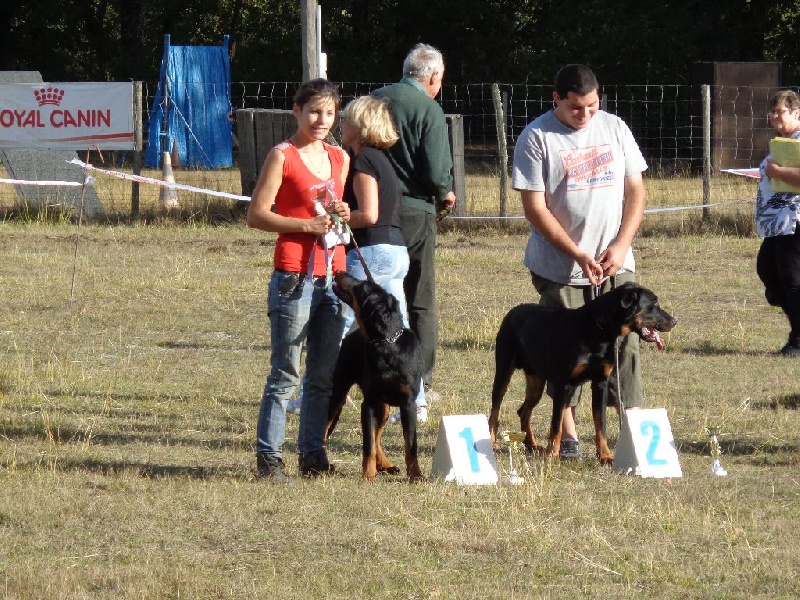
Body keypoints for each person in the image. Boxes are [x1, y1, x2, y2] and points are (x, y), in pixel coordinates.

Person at [511, 64, 648, 459]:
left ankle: (633, 434)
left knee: (624, 346)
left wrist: (621, 246)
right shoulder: (537, 137)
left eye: (591, 105)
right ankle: (567, 436)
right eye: (575, 108)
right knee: (566, 348)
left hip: (615, 262)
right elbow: (535, 208)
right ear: (556, 99)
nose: (585, 114)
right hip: (561, 266)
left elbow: (635, 190)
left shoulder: (615, 128)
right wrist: (576, 253)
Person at [247, 78, 351, 483]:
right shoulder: (283, 156)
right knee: (285, 372)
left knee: (322, 374)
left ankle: (313, 453)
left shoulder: (339, 157)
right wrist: (305, 225)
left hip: (334, 275)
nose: (322, 120)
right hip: (295, 275)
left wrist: (342, 209)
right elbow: (257, 214)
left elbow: (339, 211)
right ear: (296, 111)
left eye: (329, 113)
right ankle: (269, 458)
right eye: (313, 112)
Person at [372, 43, 456, 413]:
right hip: (414, 212)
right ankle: (420, 380)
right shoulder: (428, 109)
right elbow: (437, 173)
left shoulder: (373, 100)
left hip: (371, 209)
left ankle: (375, 370)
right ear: (434, 76)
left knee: (375, 294)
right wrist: (445, 194)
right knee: (419, 298)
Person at [755, 90, 800, 357]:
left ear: (797, 112)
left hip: (794, 220)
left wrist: (778, 172)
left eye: (779, 111)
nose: (773, 116)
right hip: (777, 222)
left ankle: (798, 340)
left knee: (791, 278)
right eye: (771, 112)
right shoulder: (784, 141)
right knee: (768, 270)